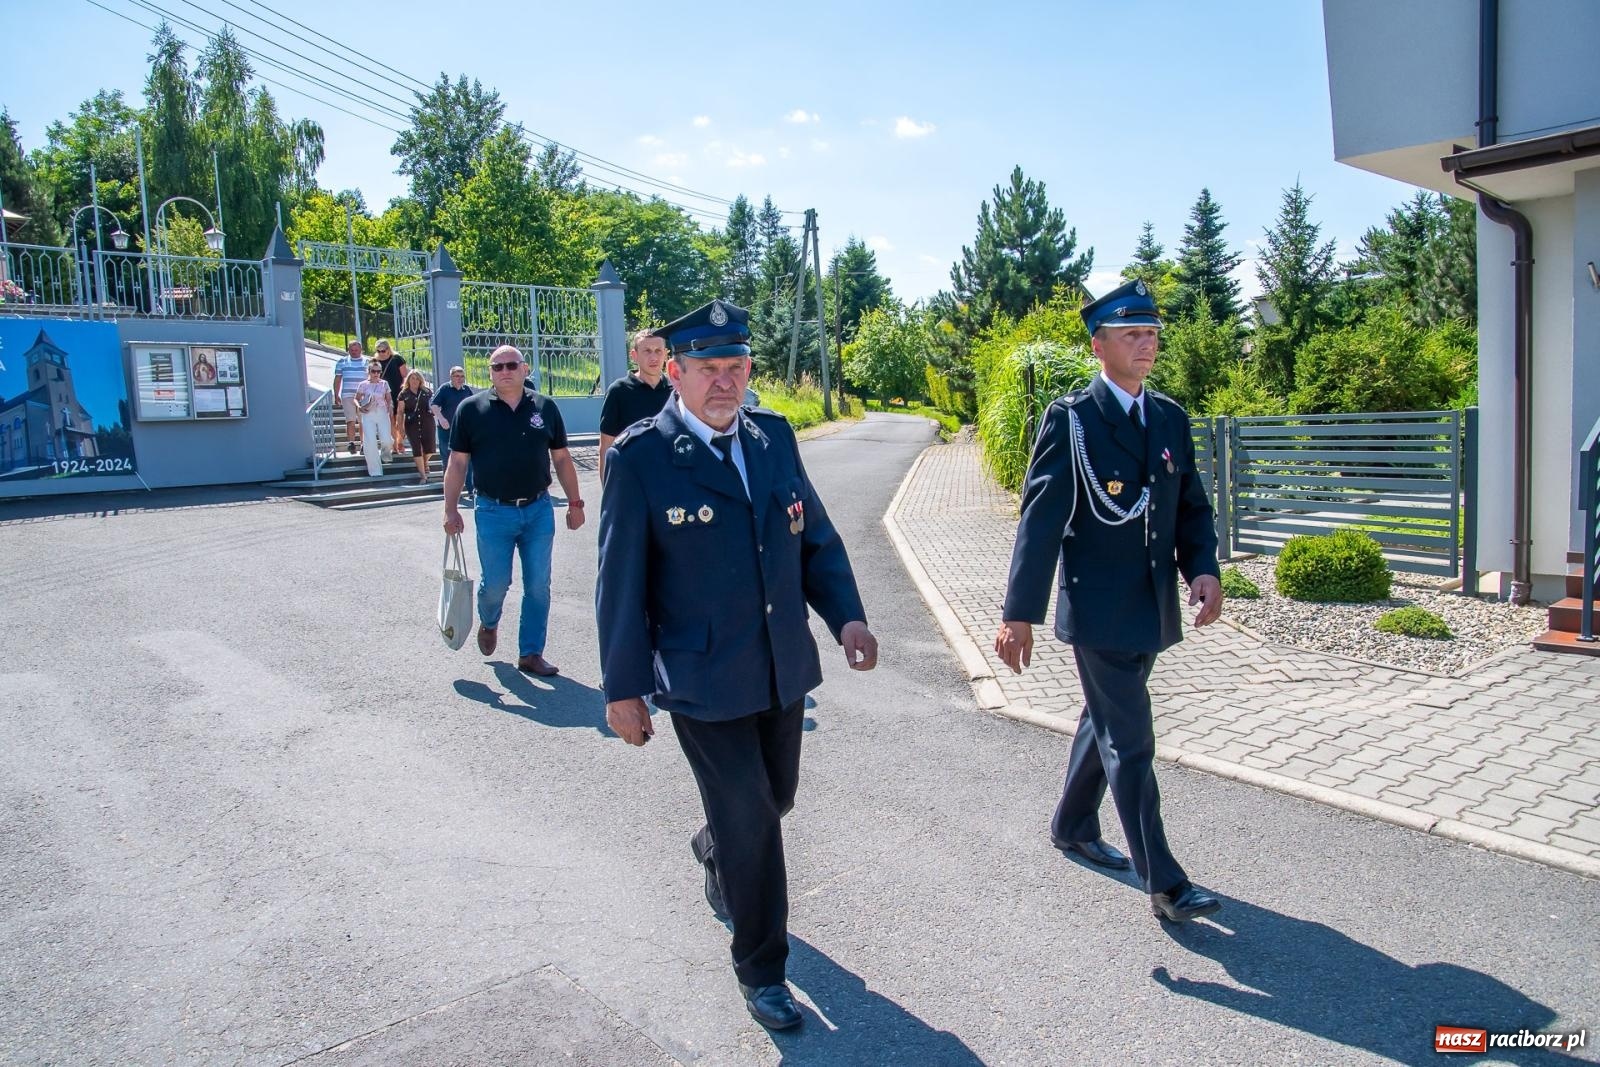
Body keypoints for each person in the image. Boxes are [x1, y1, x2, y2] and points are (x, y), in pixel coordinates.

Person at [596, 299, 879, 1031]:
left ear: (749, 370)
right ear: (676, 374)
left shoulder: (774, 438)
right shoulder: (641, 458)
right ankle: (762, 968)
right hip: (700, 676)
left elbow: (812, 535)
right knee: (755, 818)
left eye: (736, 367)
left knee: (774, 798)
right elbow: (619, 584)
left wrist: (846, 613)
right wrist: (621, 688)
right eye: (707, 369)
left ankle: (713, 844)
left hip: (781, 664)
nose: (724, 382)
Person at [994, 279, 1225, 924]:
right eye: (1132, 334)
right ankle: (1165, 882)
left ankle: (1071, 823)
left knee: (1106, 721)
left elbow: (1191, 508)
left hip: (1150, 607)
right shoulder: (1073, 420)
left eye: (1151, 333)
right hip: (1097, 611)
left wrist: (1202, 569)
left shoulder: (1170, 417)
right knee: (1132, 740)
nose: (1146, 344)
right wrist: (1019, 614)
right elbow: (1041, 522)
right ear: (1100, 345)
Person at [442, 345, 584, 677]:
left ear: (524, 369)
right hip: (493, 511)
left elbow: (561, 458)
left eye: (510, 365)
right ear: (490, 372)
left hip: (537, 509)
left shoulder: (545, 408)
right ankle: (489, 622)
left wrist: (575, 503)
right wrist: (450, 510)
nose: (504, 371)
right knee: (496, 583)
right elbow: (457, 463)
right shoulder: (471, 410)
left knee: (538, 585)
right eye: (496, 367)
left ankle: (531, 652)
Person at [597, 329, 672, 482]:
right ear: (634, 355)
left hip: (670, 480)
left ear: (666, 354)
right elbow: (606, 446)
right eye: (647, 351)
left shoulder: (676, 391)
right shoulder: (619, 391)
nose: (654, 357)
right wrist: (608, 493)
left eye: (658, 351)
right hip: (632, 480)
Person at [430, 365, 476, 500]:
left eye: (462, 376)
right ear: (451, 377)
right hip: (446, 430)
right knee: (448, 460)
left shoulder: (466, 390)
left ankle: (471, 490)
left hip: (463, 430)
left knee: (468, 460)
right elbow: (434, 405)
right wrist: (441, 419)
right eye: (457, 376)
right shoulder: (445, 389)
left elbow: (472, 407)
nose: (460, 379)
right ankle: (450, 491)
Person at [354, 360, 394, 477]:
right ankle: (375, 471)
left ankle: (386, 453)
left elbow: (389, 398)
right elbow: (356, 398)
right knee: (370, 441)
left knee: (386, 439)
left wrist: (390, 406)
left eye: (378, 371)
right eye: (373, 371)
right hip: (368, 412)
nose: (376, 373)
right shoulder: (363, 384)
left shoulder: (384, 384)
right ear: (369, 371)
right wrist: (359, 407)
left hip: (382, 412)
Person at [397, 370, 437, 486]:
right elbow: (400, 412)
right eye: (412, 378)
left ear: (420, 380)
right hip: (411, 423)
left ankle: (424, 462)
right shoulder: (403, 394)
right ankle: (423, 476)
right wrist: (400, 428)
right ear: (408, 380)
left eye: (417, 378)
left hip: (427, 422)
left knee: (430, 448)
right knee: (416, 448)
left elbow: (433, 405)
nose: (414, 381)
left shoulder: (427, 392)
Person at [374, 339, 409, 455]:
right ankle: (395, 446)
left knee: (399, 419)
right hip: (383, 394)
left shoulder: (397, 359)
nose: (381, 353)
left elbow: (405, 375)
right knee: (391, 420)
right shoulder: (374, 362)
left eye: (383, 350)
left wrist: (404, 389)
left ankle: (400, 441)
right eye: (378, 351)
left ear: (388, 349)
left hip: (398, 393)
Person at [332, 340, 367, 453]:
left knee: (363, 421)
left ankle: (363, 444)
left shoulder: (367, 362)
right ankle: (351, 443)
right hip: (347, 395)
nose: (354, 352)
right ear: (348, 350)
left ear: (361, 350)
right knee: (350, 420)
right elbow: (338, 379)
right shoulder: (342, 361)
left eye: (356, 350)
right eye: (351, 350)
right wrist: (336, 394)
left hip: (363, 395)